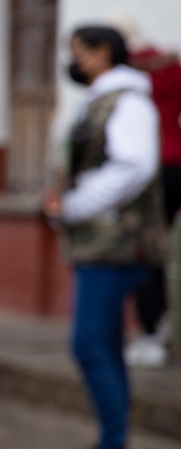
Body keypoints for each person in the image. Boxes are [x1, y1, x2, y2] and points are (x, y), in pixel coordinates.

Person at [45, 25, 167, 449]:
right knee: (107, 345)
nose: (74, 61)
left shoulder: (129, 102)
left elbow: (134, 166)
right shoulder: (99, 99)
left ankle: (112, 441)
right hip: (96, 242)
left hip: (117, 244)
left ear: (104, 52)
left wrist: (78, 203)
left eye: (81, 52)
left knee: (89, 345)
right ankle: (113, 438)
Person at [126, 42, 181, 367]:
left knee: (147, 253)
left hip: (153, 168)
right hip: (177, 165)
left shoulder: (133, 79)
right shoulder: (174, 72)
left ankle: (153, 333)